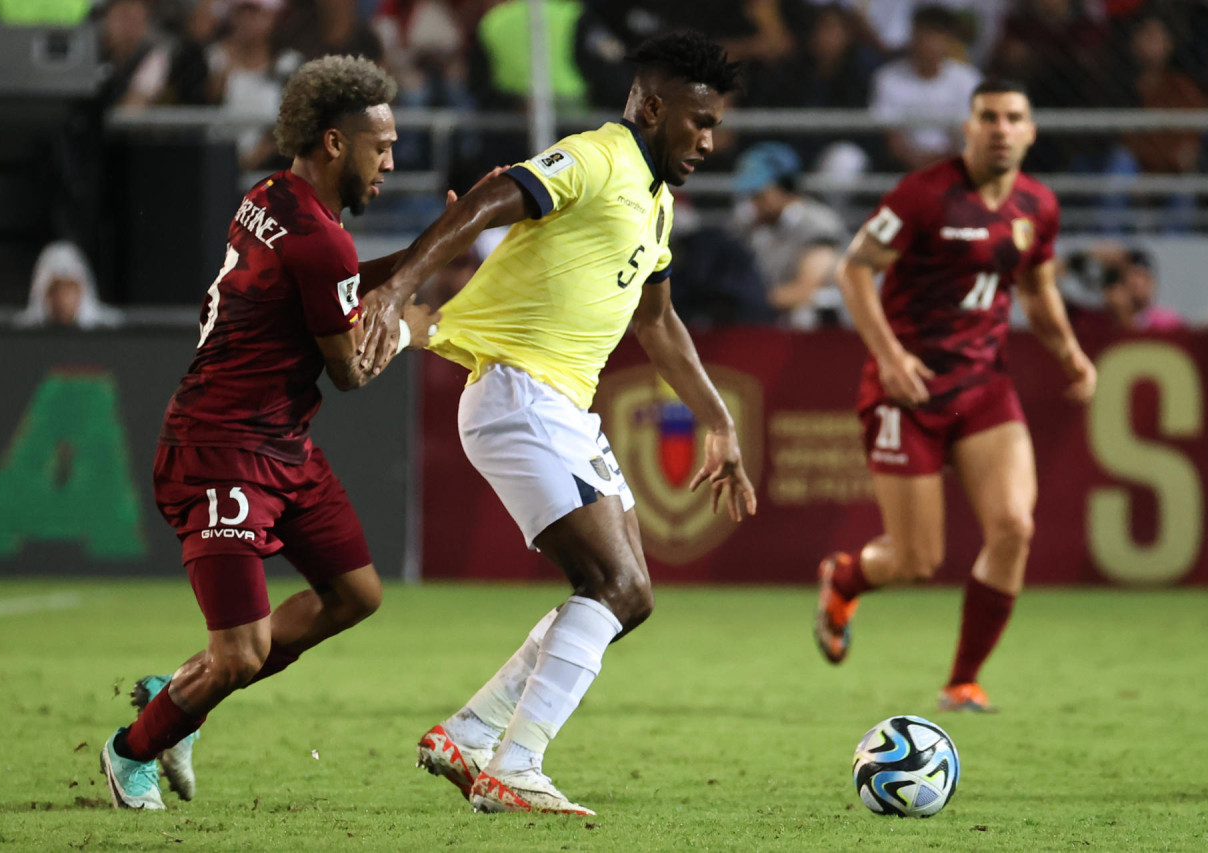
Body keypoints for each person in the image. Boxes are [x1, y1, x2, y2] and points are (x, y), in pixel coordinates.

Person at [358, 30, 757, 815]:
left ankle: (473, 734)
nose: (709, 141)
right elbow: (490, 196)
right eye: (697, 122)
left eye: (714, 125)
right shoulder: (599, 156)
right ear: (650, 106)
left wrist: (719, 421)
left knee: (629, 597)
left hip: (558, 406)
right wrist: (398, 287)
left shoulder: (657, 201)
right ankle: (516, 763)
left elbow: (660, 322)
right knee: (613, 582)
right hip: (519, 395)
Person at [98, 55, 439, 810]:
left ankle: (179, 692)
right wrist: (413, 329)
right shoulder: (323, 240)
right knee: (243, 650)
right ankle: (129, 751)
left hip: (277, 442)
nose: (391, 160)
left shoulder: (269, 196)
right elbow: (349, 371)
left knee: (355, 594)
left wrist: (428, 245)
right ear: (332, 143)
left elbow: (337, 279)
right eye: (378, 146)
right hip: (219, 450)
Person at [815, 78, 1097, 713]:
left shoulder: (1038, 206)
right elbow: (854, 268)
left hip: (983, 388)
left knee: (1014, 527)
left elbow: (1037, 289)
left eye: (1013, 117)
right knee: (916, 560)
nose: (1000, 127)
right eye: (988, 117)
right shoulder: (924, 193)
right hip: (906, 392)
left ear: (1030, 131)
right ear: (968, 129)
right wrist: (889, 355)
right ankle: (846, 577)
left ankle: (962, 681)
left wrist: (1069, 352)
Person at [730, 141, 848, 328]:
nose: (753, 204)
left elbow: (805, 290)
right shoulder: (751, 226)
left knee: (803, 316)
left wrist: (741, 299)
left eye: (758, 194)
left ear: (784, 186)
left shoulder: (818, 224)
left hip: (817, 334)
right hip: (765, 321)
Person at [869, 4, 982, 171]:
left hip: (955, 165)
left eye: (936, 35)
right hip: (903, 166)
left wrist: (941, 162)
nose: (929, 43)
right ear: (912, 36)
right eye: (924, 34)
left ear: (949, 40)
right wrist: (919, 163)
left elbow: (965, 135)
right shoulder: (888, 78)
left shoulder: (967, 79)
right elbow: (891, 137)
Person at [14, 240, 124, 329]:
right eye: (56, 290)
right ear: (43, 293)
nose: (63, 299)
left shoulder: (110, 330)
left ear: (82, 290)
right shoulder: (20, 335)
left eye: (69, 289)